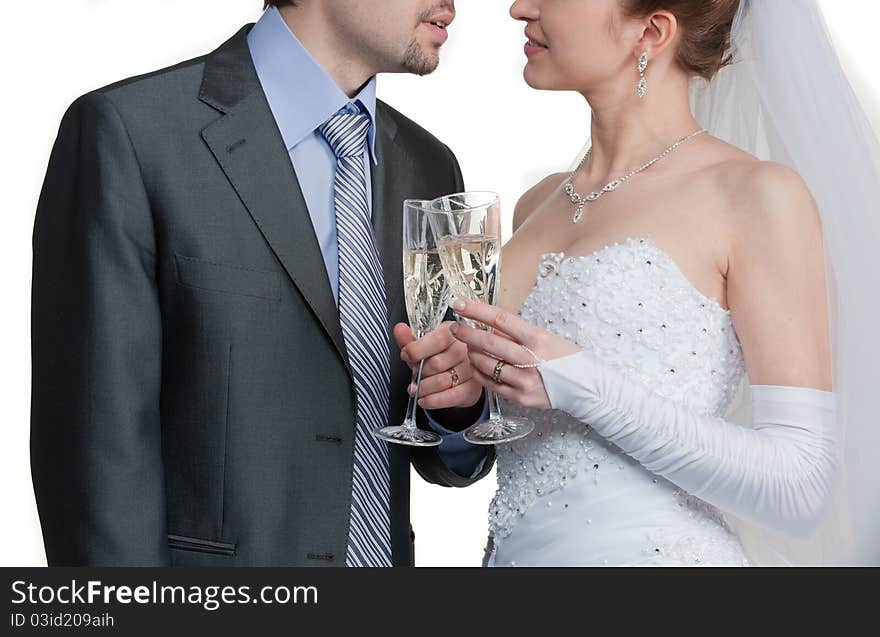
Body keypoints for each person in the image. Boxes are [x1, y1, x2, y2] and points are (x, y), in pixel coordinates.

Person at [30, 0, 492, 567]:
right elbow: (93, 454)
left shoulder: (429, 164)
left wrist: (458, 409)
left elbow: (436, 439)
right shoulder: (130, 134)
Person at [423, 0, 880, 565]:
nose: (520, 8)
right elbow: (532, 439)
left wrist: (581, 384)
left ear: (652, 30)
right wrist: (466, 404)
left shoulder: (756, 195)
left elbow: (801, 487)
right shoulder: (536, 204)